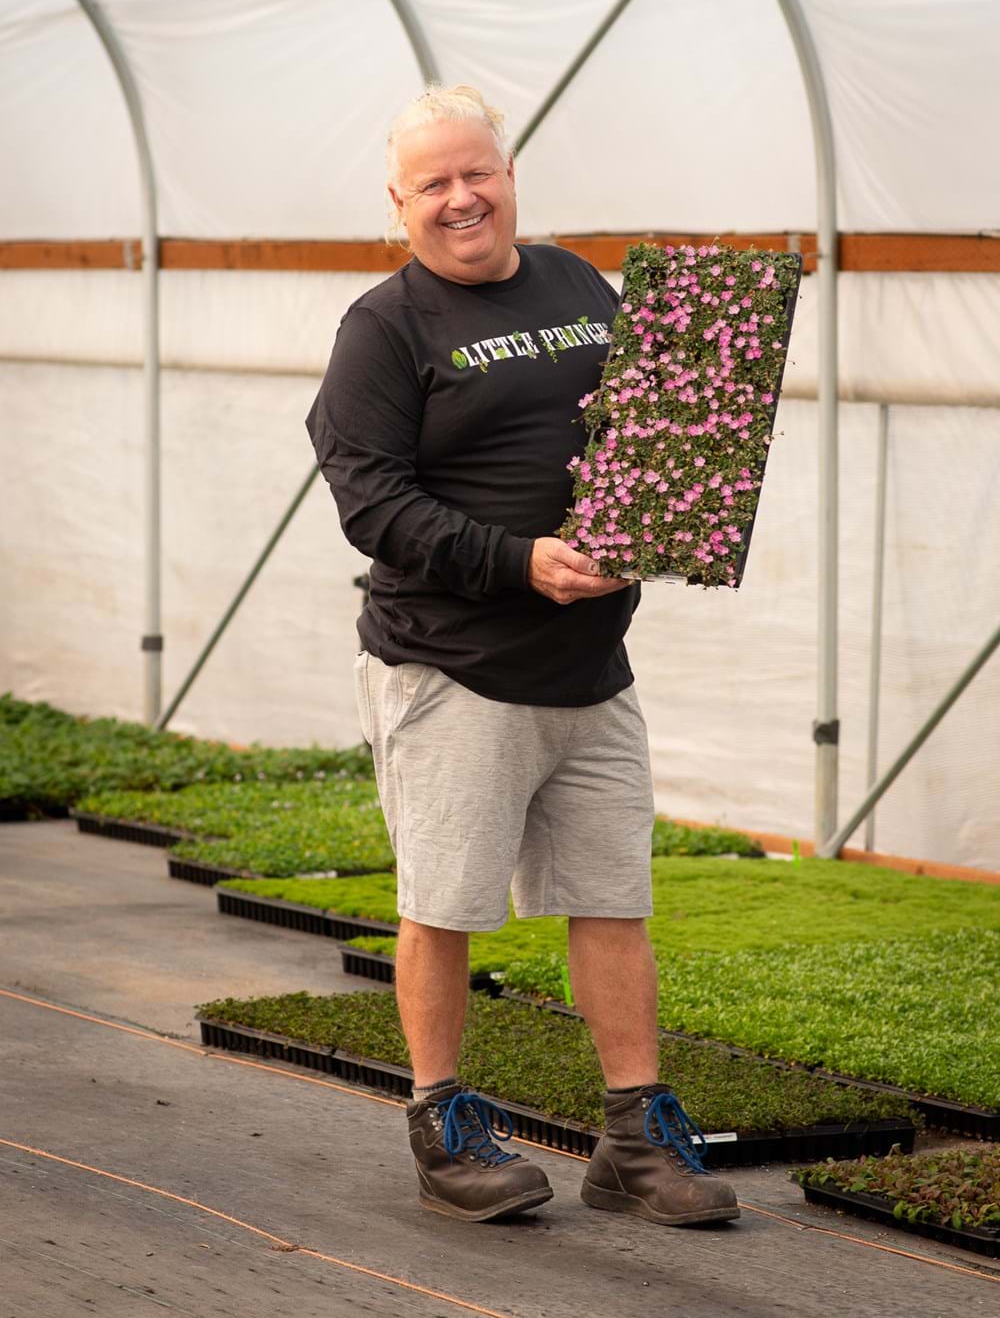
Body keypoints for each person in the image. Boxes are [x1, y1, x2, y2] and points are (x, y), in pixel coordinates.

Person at [306, 84, 738, 1228]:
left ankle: (635, 1140)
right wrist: (517, 561)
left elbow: (644, 428)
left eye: (477, 172)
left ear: (508, 173)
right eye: (434, 183)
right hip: (453, 668)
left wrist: (678, 496)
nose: (462, 198)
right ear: (397, 203)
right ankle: (443, 1126)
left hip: (592, 667)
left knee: (611, 899)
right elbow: (370, 503)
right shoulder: (382, 329)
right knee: (442, 905)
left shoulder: (574, 283)